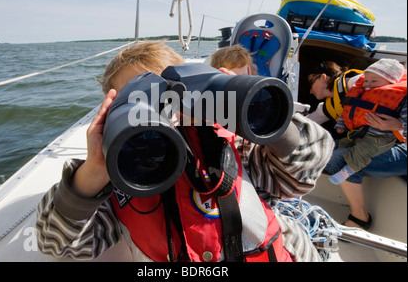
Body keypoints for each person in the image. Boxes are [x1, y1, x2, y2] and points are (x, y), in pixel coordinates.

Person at [36, 41, 335, 262]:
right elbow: (57, 245)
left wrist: (243, 105)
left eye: (168, 96)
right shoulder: (119, 177)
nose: (162, 114)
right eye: (140, 103)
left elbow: (304, 171)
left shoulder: (233, 146)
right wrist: (93, 173)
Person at [327, 59, 407, 185]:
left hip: (380, 139)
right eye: (367, 81)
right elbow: (348, 110)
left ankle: (349, 172)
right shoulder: (363, 88)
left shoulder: (400, 95)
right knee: (328, 149)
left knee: (338, 158)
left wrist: (399, 126)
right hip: (359, 135)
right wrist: (341, 125)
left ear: (391, 82)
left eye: (374, 81)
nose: (368, 84)